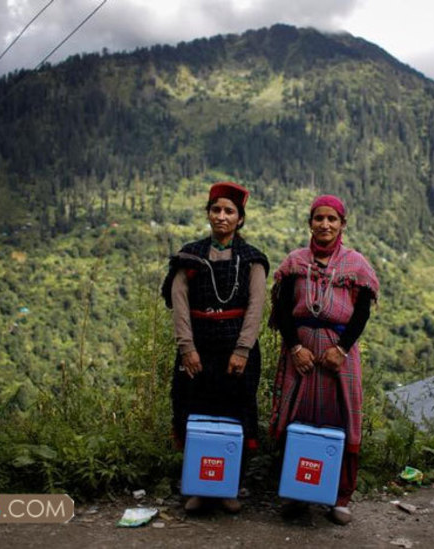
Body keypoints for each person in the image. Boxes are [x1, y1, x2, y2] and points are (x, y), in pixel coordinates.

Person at [269, 194, 379, 526]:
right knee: (297, 417)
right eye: (319, 218)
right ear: (310, 223)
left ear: (343, 224)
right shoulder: (295, 262)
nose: (325, 224)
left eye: (332, 219)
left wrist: (342, 349)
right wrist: (294, 348)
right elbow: (283, 310)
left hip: (338, 353)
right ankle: (296, 493)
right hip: (300, 351)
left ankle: (339, 496)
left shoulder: (356, 264)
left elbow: (361, 313)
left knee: (341, 418)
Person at [161, 181, 269, 514]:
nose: (221, 217)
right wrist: (186, 347)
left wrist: (242, 349)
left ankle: (228, 487)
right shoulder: (189, 256)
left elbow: (256, 306)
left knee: (233, 416)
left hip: (237, 351)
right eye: (216, 210)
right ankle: (196, 486)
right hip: (198, 348)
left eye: (229, 211)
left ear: (240, 218)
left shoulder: (252, 260)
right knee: (195, 413)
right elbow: (179, 303)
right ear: (208, 213)